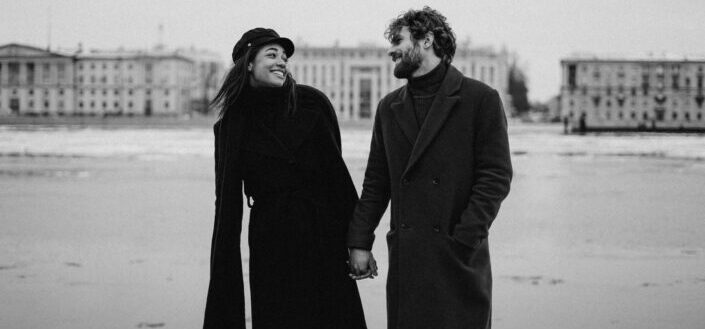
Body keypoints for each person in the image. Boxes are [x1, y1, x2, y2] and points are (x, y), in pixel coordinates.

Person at [347, 7, 513, 329]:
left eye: (398, 40)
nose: (391, 50)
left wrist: (465, 237)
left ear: (427, 40)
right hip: (409, 258)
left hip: (458, 256)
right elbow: (377, 183)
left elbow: (496, 176)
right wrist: (359, 241)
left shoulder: (480, 99)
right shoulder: (388, 107)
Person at [203, 28, 367, 329]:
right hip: (271, 240)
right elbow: (226, 205)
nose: (282, 62)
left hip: (323, 235)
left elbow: (338, 179)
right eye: (272, 54)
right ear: (248, 63)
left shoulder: (312, 103)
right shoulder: (231, 126)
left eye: (285, 57)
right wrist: (224, 278)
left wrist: (358, 243)